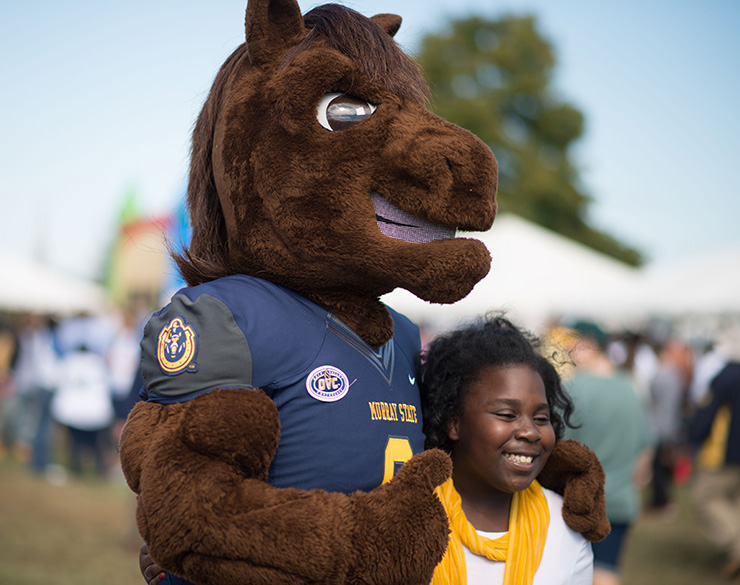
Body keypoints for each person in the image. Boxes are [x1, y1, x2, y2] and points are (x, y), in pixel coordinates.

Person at [418, 315, 594, 585]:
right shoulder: (407, 521)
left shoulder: (566, 528)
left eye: (541, 418)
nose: (530, 432)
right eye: (506, 414)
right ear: (453, 422)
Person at [561, 320, 655, 585]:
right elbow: (646, 449)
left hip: (577, 502)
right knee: (606, 570)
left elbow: (555, 450)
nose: (567, 351)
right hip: (622, 500)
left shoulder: (571, 389)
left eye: (571, 344)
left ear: (587, 344)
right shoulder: (631, 387)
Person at [687, 359, 740, 579]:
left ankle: (737, 546)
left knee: (705, 498)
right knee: (734, 503)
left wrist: (693, 436)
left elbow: (707, 413)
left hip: (723, 454)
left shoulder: (727, 375)